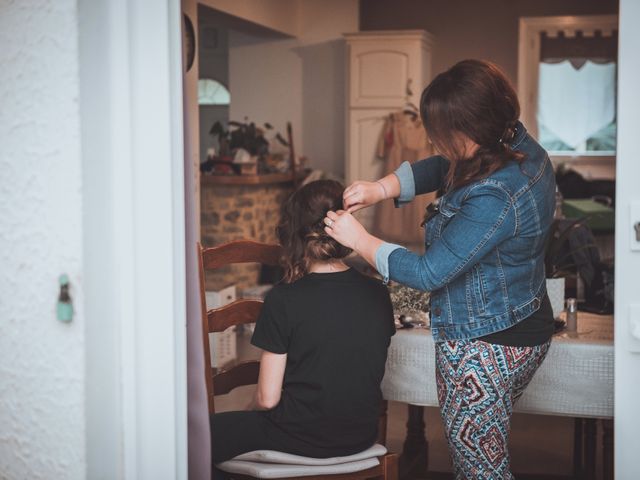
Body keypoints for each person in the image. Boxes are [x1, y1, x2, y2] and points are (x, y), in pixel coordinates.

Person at [324, 60, 556, 479]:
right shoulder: (516, 144)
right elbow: (447, 163)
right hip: (525, 319)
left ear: (473, 127)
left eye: (441, 132)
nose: (433, 139)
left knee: (480, 470)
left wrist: (360, 239)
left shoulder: (497, 193)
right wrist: (383, 187)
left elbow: (430, 273)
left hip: (483, 345)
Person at [210, 180, 395, 479]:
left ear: (294, 232)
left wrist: (247, 412)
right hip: (361, 433)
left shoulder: (283, 298)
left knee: (194, 436)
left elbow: (267, 399)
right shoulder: (377, 292)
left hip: (301, 436)